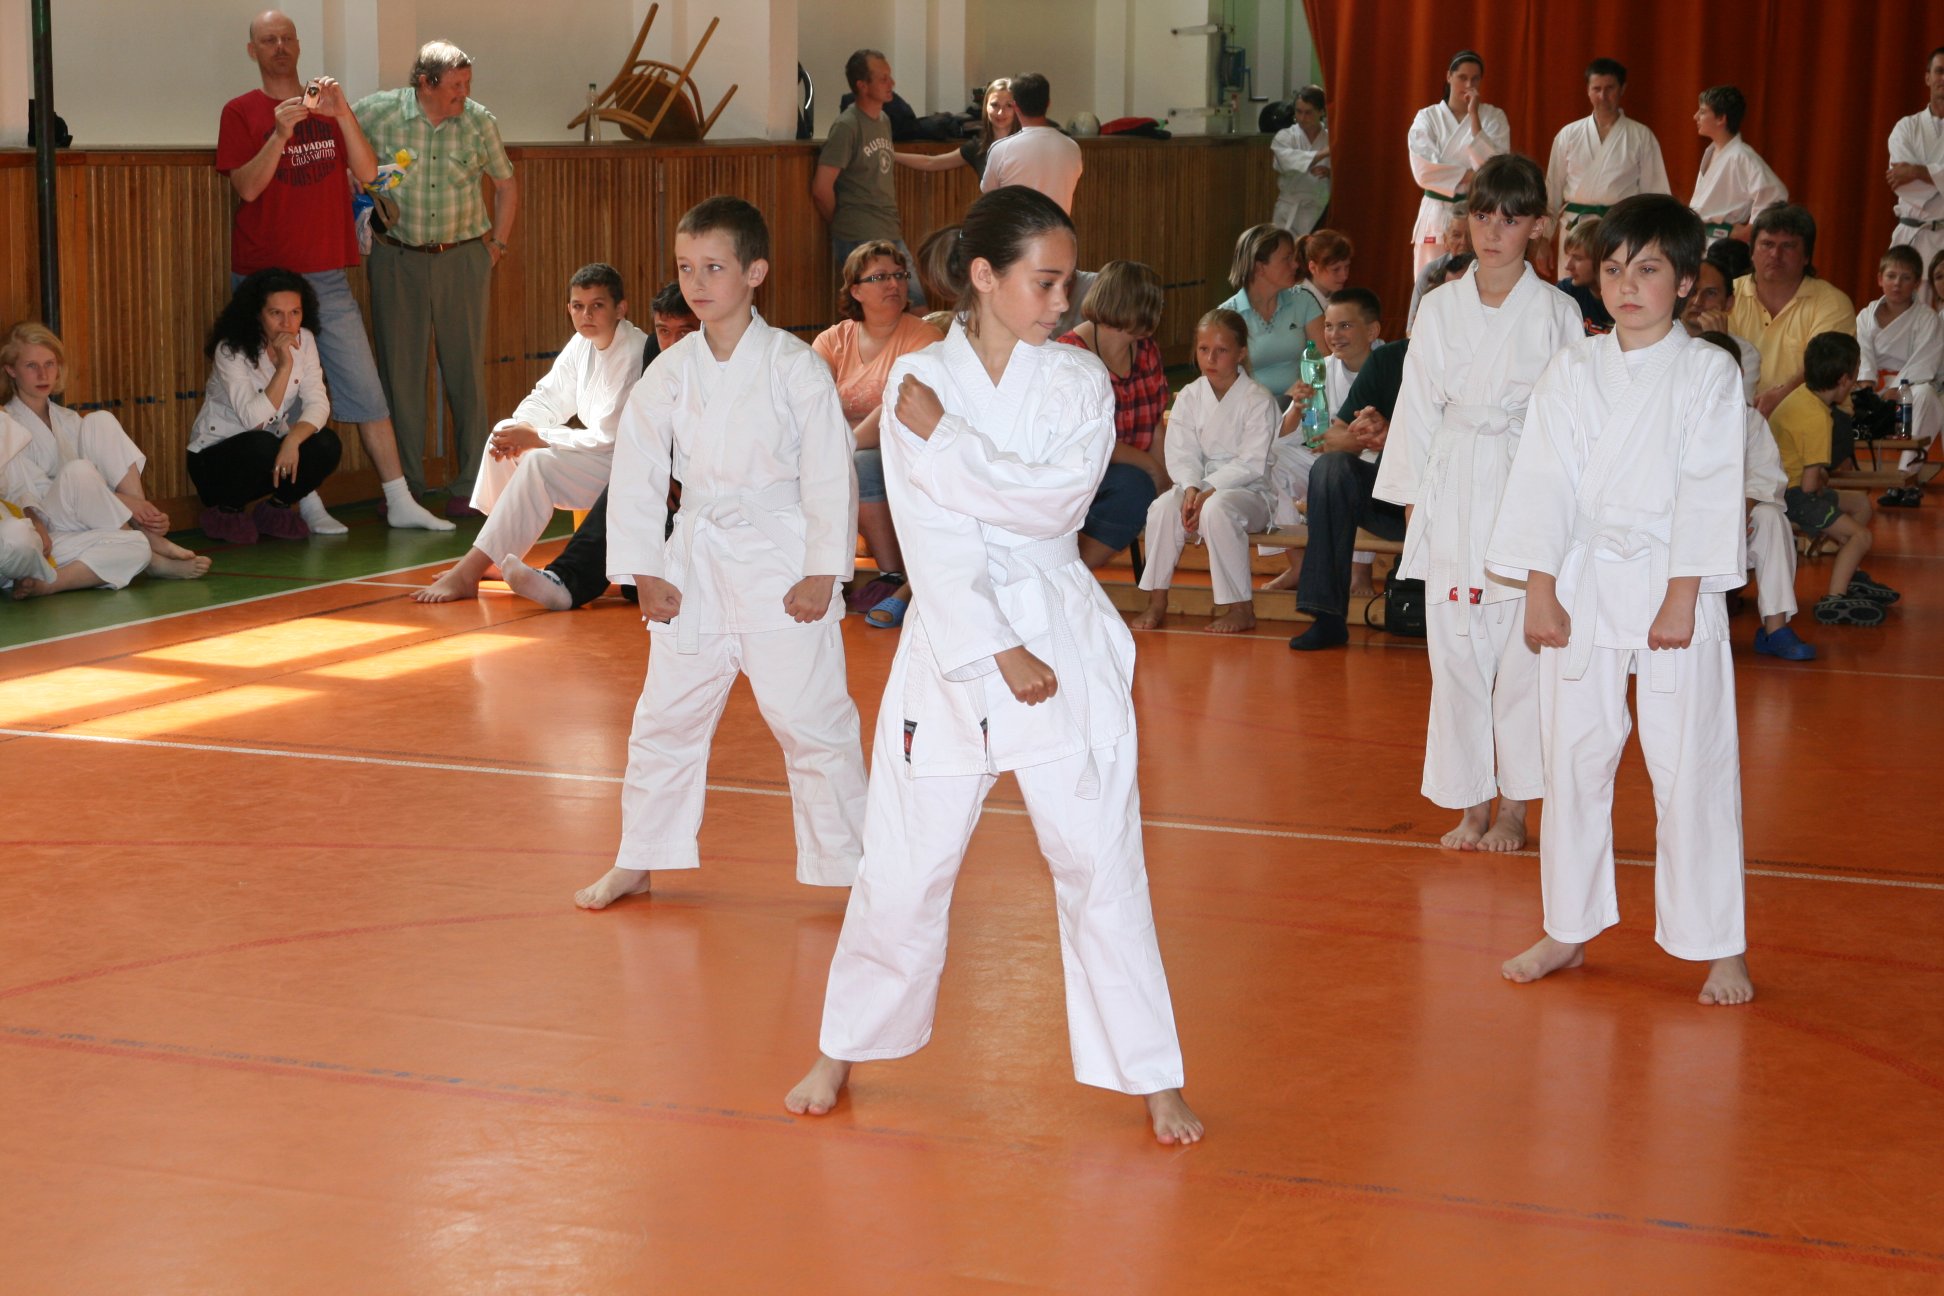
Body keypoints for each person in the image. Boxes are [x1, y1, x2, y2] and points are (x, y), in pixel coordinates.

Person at [784, 185, 1201, 1146]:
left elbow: (1056, 507)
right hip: (954, 648)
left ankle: (1152, 1074)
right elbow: (930, 536)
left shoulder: (1076, 382)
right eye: (1044, 282)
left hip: (1060, 627)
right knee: (904, 865)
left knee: (1100, 862)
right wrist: (994, 644)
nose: (1063, 302)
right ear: (983, 275)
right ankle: (843, 1046)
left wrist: (948, 441)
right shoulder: (916, 378)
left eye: (1068, 283)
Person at [1486, 193, 1754, 1008]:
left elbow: (1710, 486)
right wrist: (1538, 589)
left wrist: (1681, 597)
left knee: (1692, 764)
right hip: (1583, 582)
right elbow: (1543, 480)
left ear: (1686, 281)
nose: (1627, 286)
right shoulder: (1574, 369)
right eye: (1611, 269)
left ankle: (1719, 945)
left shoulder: (1709, 372)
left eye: (1647, 269)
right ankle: (1567, 926)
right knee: (1573, 759)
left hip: (1674, 581)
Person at [572, 196, 867, 911]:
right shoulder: (670, 372)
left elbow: (830, 471)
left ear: (755, 272)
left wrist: (823, 572)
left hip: (780, 561)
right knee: (664, 719)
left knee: (812, 720)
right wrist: (644, 571)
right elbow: (638, 475)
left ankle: (855, 869)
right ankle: (639, 858)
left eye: (714, 267)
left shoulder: (795, 366)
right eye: (685, 268)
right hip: (696, 566)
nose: (697, 283)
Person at [1373, 153, 1583, 851]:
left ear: (1539, 226)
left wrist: (1562, 517)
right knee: (1456, 658)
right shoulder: (1438, 307)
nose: (1494, 232)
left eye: (1511, 219)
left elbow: (1570, 419)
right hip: (1454, 487)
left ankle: (1517, 807)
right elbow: (1416, 410)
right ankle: (1470, 803)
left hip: (1524, 483)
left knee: (1521, 661)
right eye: (1483, 216)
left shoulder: (1557, 312)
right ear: (1466, 220)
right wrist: (1413, 509)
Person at [219, 10, 452, 535]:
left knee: (365, 386)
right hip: (265, 281)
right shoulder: (241, 111)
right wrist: (280, 134)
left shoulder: (327, 109)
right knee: (283, 391)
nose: (280, 46)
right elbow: (247, 188)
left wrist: (342, 112)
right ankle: (305, 502)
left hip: (325, 273)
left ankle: (399, 499)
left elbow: (368, 174)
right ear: (253, 51)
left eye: (287, 38)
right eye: (268, 40)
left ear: (299, 46)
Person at [414, 263, 650, 603]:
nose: (586, 315)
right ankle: (496, 556)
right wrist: (522, 429)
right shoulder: (581, 344)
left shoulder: (633, 353)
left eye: (597, 305)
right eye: (578, 306)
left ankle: (470, 570)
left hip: (622, 466)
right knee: (504, 431)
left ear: (620, 309)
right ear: (568, 308)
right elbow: (548, 397)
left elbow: (609, 439)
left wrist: (540, 438)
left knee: (539, 463)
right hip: (594, 457)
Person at [354, 40, 519, 515]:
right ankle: (405, 488)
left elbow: (506, 185)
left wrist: (498, 245)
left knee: (466, 373)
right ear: (425, 84)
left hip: (463, 257)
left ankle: (472, 485)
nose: (464, 93)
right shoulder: (378, 112)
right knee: (400, 374)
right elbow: (339, 140)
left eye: (467, 84)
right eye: (455, 85)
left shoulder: (479, 121)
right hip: (396, 258)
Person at [503, 284, 701, 612]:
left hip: (719, 480)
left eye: (685, 332)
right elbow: (648, 421)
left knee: (645, 582)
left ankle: (663, 573)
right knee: (629, 481)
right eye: (664, 331)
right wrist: (661, 469)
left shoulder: (728, 358)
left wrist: (685, 474)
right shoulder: (656, 350)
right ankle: (564, 580)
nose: (673, 342)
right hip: (671, 470)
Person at [1, 322, 207, 582]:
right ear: (11, 370)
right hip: (47, 525)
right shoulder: (8, 426)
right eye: (32, 366)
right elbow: (31, 493)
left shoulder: (69, 419)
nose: (43, 374)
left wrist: (133, 505)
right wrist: (127, 503)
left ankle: (144, 529)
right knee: (78, 471)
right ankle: (147, 550)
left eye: (50, 364)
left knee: (101, 420)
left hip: (89, 517)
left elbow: (94, 484)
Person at [812, 242, 944, 628]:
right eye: (880, 277)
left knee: (862, 462)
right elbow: (812, 402)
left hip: (908, 447)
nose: (894, 284)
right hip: (841, 445)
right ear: (855, 290)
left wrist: (844, 445)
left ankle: (892, 575)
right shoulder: (832, 340)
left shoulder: (925, 336)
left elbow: (895, 404)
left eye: (900, 276)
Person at [1132, 308, 1277, 635]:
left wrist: (1208, 488)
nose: (1211, 358)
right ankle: (1157, 600)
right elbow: (1181, 452)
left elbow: (1251, 462)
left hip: (1249, 493)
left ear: (1241, 353)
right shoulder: (1189, 396)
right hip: (1196, 485)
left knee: (1217, 508)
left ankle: (1241, 607)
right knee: (1163, 508)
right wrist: (1191, 488)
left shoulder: (1258, 399)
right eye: (1203, 349)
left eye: (1221, 350)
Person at [186, 269, 344, 544]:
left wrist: (293, 440)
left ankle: (276, 509)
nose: (287, 323)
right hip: (215, 463)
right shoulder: (231, 350)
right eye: (275, 313)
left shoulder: (305, 339)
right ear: (257, 314)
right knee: (262, 445)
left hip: (268, 455)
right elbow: (254, 420)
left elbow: (318, 402)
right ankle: (227, 511)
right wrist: (284, 366)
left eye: (295, 312)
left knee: (326, 444)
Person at [1285, 337, 1411, 651]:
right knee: (1331, 469)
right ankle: (1326, 615)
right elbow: (1335, 436)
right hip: (1390, 500)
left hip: (1449, 499)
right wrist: (1368, 433)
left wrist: (1394, 434)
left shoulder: (1470, 358)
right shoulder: (1389, 359)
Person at [1696, 332, 1815, 662]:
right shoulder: (1669, 417)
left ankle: (1775, 629)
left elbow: (1763, 479)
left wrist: (1736, 519)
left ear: (1737, 374)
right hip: (1685, 529)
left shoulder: (1749, 421)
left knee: (1771, 518)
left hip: (1737, 527)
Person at [1768, 332, 1901, 625]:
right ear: (1843, 380)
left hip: (1784, 486)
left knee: (1860, 503)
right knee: (1860, 536)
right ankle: (1835, 598)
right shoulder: (1818, 418)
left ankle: (1849, 572)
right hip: (1793, 496)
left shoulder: (1801, 397)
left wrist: (1822, 480)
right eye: (1855, 376)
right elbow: (1809, 486)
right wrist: (1823, 482)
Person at [1263, 287, 1386, 594]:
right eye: (1329, 326)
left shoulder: (1391, 366)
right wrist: (1297, 409)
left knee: (1353, 471)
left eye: (1345, 325)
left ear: (1372, 331)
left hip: (1369, 465)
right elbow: (1287, 437)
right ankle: (1298, 562)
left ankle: (1360, 570)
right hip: (1319, 459)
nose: (1334, 335)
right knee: (1269, 458)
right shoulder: (1320, 367)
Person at [1054, 260, 1170, 569]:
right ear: (1136, 307)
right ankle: (1071, 572)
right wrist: (1152, 470)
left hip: (1126, 471)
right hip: (1078, 470)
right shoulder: (1071, 355)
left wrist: (1164, 481)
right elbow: (1088, 440)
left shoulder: (1146, 349)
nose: (1160, 311)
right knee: (1135, 487)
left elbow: (1155, 424)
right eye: (1156, 304)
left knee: (1150, 489)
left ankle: (1072, 571)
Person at [0, 402, 155, 599]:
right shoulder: (14, 419)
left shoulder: (6, 425)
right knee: (15, 535)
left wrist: (35, 520)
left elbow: (20, 486)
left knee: (137, 545)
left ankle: (48, 582)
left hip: (40, 538)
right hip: (12, 542)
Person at [813, 50, 922, 309]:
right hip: (859, 234)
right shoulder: (847, 126)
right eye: (883, 78)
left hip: (888, 227)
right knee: (880, 308)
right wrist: (844, 221)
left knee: (913, 304)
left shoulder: (883, 120)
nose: (891, 83)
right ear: (862, 85)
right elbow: (821, 187)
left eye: (889, 77)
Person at [1727, 203, 1856, 415]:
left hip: (1816, 419)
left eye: (1788, 246)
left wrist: (1781, 397)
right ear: (1751, 252)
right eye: (1767, 244)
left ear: (1806, 256)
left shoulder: (1832, 302)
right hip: (1740, 417)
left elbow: (1826, 370)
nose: (1775, 254)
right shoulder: (1726, 294)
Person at [1544, 59, 1671, 275]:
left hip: (1620, 230)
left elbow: (1656, 195)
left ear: (1622, 89)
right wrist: (1544, 238)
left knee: (1615, 287)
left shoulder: (1641, 136)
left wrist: (1654, 242)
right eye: (1596, 89)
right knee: (1571, 290)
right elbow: (1552, 189)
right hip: (1575, 229)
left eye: (1610, 88)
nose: (1602, 96)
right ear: (1588, 90)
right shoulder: (1569, 134)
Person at [1407, 50, 1510, 277]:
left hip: (1478, 210)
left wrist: (1474, 117)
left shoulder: (1494, 117)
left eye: (1475, 79)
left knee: (1477, 280)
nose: (1469, 84)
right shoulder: (1427, 118)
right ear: (1449, 77)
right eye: (1462, 77)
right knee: (1430, 280)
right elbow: (1424, 171)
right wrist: (1475, 174)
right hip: (1437, 212)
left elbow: (1497, 169)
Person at [1855, 244, 1941, 507]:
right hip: (1873, 384)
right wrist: (1867, 386)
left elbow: (1924, 360)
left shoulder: (1927, 318)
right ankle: (1843, 473)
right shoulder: (1866, 315)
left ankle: (1906, 477)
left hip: (1909, 387)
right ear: (1880, 279)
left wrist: (1896, 389)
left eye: (1905, 278)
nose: (1897, 284)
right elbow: (1863, 354)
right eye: (1891, 276)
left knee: (1926, 395)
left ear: (1916, 283)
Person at [1219, 224, 1319, 406]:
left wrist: (1301, 392)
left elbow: (1325, 360)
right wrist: (1279, 400)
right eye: (1287, 259)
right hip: (1250, 410)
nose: (1295, 264)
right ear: (1259, 268)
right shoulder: (1226, 317)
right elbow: (1221, 382)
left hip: (1301, 404)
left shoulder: (1303, 300)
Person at [1688, 85, 1786, 244]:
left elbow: (1775, 194)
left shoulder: (1742, 156)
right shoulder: (1713, 151)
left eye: (1703, 112)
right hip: (1700, 238)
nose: (1695, 116)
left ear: (1721, 118)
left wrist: (1750, 230)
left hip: (1723, 242)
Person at [980, 73, 1083, 214]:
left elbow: (989, 195)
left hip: (1016, 227)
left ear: (1015, 106)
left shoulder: (1000, 149)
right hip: (1059, 226)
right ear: (1048, 103)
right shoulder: (1072, 147)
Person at [1886, 48, 1944, 280]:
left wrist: (1916, 171)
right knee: (1905, 302)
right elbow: (1904, 186)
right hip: (1912, 237)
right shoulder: (1906, 128)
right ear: (1927, 77)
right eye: (1939, 71)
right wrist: (1937, 177)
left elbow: (1910, 176)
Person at [1681, 244, 1762, 401]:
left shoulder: (1746, 354)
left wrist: (1718, 345)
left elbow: (1731, 409)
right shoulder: (1657, 338)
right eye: (1692, 291)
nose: (1697, 301)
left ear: (1728, 303)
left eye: (1710, 293)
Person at [894, 78, 1016, 180]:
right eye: (995, 105)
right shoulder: (977, 148)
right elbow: (931, 162)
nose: (1001, 112)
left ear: (1017, 109)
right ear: (985, 107)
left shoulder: (1025, 143)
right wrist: (892, 155)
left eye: (1008, 105)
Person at [1271, 85, 1331, 235]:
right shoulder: (1285, 136)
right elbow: (1288, 162)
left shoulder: (1331, 139)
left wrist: (1330, 173)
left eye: (1308, 112)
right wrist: (1324, 153)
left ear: (1321, 112)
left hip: (1320, 211)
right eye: (1299, 112)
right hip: (1289, 210)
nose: (1302, 118)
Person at [1407, 217, 1470, 332]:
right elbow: (1412, 329)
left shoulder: (1491, 272)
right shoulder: (1429, 271)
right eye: (1456, 235)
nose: (1464, 242)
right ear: (1445, 240)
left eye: (1470, 236)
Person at [1289, 229, 1353, 337]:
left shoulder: (1338, 299)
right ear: (1313, 268)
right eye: (1336, 269)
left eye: (1347, 267)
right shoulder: (1297, 301)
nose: (1344, 276)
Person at [1557, 218, 1614, 333]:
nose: (1567, 266)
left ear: (1601, 260)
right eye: (1568, 256)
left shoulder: (1625, 297)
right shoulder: (1566, 292)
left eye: (1578, 258)